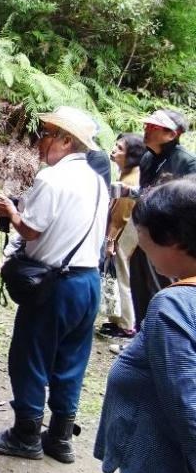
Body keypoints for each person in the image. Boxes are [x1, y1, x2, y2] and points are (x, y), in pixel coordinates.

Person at [0, 106, 108, 463]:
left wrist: (10, 212)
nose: (40, 140)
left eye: (47, 133)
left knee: (29, 357)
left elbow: (32, 230)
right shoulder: (96, 180)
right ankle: (61, 438)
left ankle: (25, 436)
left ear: (66, 141)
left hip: (55, 285)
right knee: (71, 359)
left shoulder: (51, 179)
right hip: (87, 282)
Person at [94, 178, 196, 473]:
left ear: (175, 240)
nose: (140, 245)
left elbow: (188, 405)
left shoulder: (174, 306)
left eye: (143, 235)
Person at [129, 109, 196, 328]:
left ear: (172, 134)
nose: (146, 130)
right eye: (147, 126)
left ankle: (164, 331)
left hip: (169, 238)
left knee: (163, 285)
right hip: (144, 229)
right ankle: (142, 333)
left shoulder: (187, 162)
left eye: (154, 127)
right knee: (139, 281)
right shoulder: (147, 158)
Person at [99, 134, 145, 340]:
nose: (114, 151)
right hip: (126, 231)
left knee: (121, 274)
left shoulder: (131, 179)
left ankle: (126, 324)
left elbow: (120, 216)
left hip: (126, 233)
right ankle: (117, 320)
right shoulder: (128, 174)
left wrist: (110, 241)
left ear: (132, 155)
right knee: (117, 275)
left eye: (120, 148)